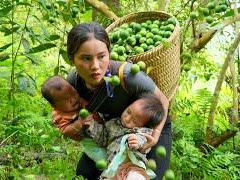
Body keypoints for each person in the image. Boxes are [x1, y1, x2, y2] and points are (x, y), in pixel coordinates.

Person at [52, 22, 171, 179]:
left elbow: (163, 101)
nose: (95, 66)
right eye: (86, 58)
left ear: (109, 53)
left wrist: (155, 136)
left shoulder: (128, 76)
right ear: (72, 59)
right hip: (114, 129)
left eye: (102, 56)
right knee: (85, 172)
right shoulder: (72, 85)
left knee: (152, 176)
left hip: (148, 126)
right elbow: (66, 118)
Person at [85, 93, 165, 179]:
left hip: (132, 167)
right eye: (128, 112)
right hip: (113, 169)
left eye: (134, 121)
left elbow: (143, 138)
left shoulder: (141, 131)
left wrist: (137, 142)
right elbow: (103, 136)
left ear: (143, 125)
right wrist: (91, 126)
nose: (127, 119)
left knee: (135, 177)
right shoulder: (113, 123)